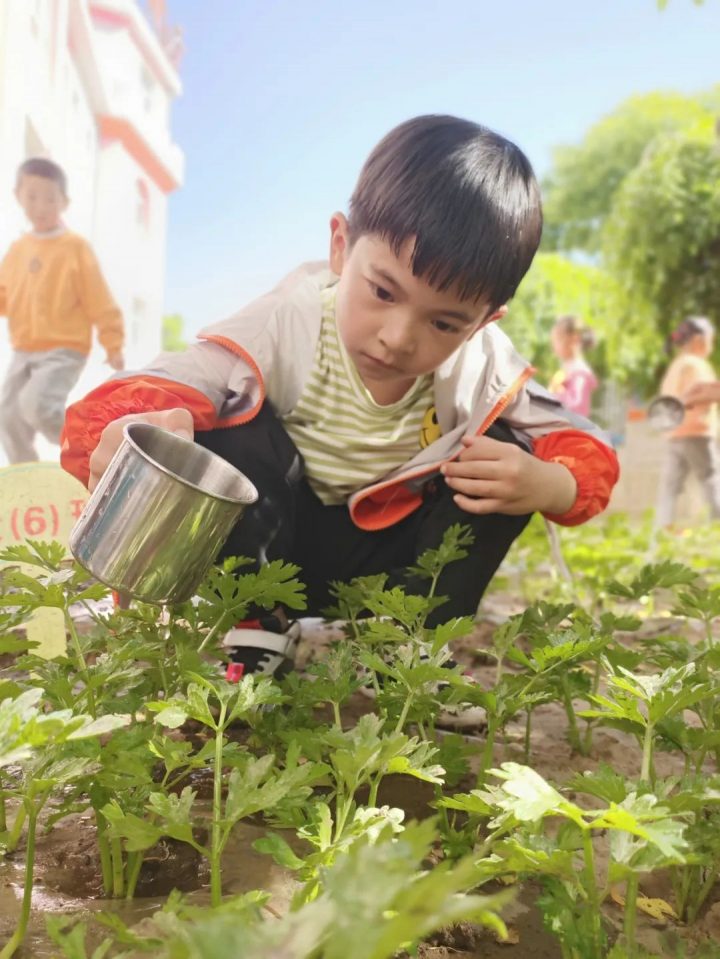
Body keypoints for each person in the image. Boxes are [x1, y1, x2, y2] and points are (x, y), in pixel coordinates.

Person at [61, 115, 619, 689]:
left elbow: (581, 444)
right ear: (339, 246)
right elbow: (159, 388)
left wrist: (548, 484)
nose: (398, 337)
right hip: (273, 548)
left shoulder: (484, 369)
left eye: (445, 322)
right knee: (228, 423)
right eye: (382, 291)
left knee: (502, 454)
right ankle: (257, 626)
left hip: (389, 568)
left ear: (485, 322)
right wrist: (142, 426)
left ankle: (417, 645)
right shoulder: (283, 325)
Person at [0, 158, 124, 464]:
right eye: (32, 197)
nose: (40, 206)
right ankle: (28, 475)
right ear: (18, 196)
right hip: (24, 350)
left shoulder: (74, 248)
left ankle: (92, 450)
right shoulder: (17, 250)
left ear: (63, 202)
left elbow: (99, 297)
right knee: (7, 415)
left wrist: (113, 342)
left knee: (36, 406)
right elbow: (5, 294)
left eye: (50, 198)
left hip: (64, 349)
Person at [656, 315, 720, 528]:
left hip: (675, 434)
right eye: (711, 340)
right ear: (699, 340)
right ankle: (717, 524)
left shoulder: (676, 365)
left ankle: (663, 527)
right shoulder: (696, 364)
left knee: (671, 485)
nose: (711, 346)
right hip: (696, 432)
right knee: (711, 477)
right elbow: (695, 394)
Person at [548, 314, 598, 417]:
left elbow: (577, 407)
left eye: (557, 339)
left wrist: (558, 392)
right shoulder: (568, 369)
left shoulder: (580, 373)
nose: (553, 345)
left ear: (573, 339)